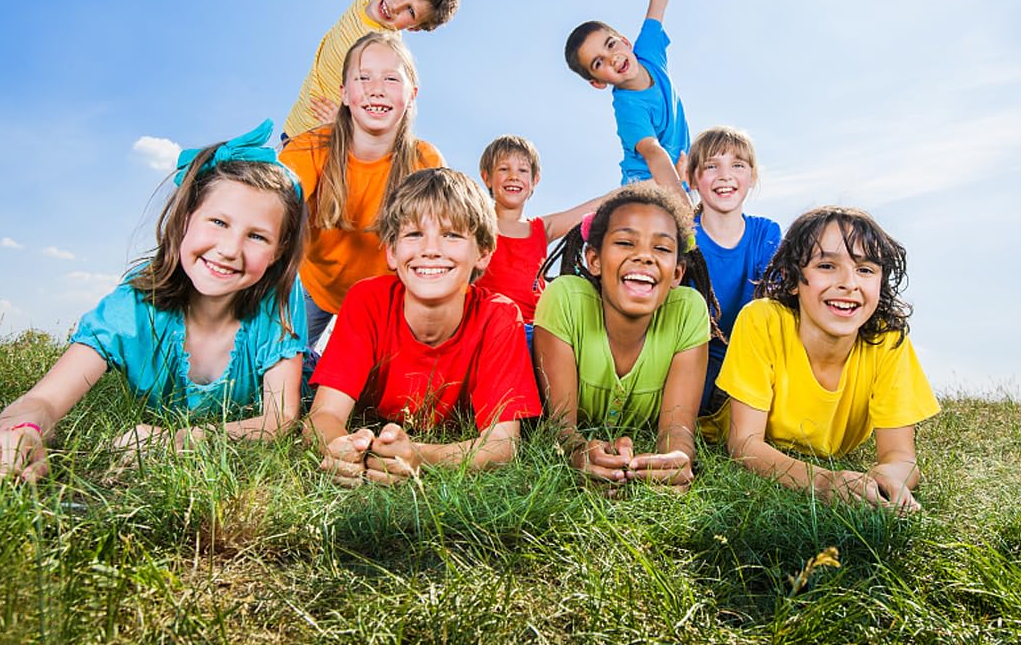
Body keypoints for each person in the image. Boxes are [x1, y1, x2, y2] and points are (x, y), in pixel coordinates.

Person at [0, 120, 308, 481]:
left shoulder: (279, 300)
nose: (230, 250)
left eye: (257, 236)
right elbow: (44, 400)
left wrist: (182, 439)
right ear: (186, 219)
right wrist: (21, 433)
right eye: (218, 222)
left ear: (279, 250)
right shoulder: (134, 306)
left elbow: (278, 421)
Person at [304, 168, 541, 486]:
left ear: (484, 253)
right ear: (391, 251)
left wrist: (418, 454)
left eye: (452, 235)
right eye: (414, 234)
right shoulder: (367, 299)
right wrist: (342, 449)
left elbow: (502, 444)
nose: (430, 249)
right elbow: (323, 415)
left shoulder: (498, 316)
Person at [708, 206, 940, 511]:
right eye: (827, 266)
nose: (849, 283)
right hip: (722, 428)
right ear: (793, 279)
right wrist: (823, 481)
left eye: (866, 270)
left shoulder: (888, 340)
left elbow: (901, 457)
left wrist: (884, 481)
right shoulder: (762, 319)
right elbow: (744, 444)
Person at [533, 184, 718, 488]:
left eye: (661, 248)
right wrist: (578, 452)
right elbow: (560, 426)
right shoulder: (564, 299)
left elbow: (678, 431)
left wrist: (676, 458)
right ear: (594, 259)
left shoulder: (688, 311)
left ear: (677, 273)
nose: (644, 256)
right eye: (624, 242)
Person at [280, 31, 442, 354]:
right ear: (344, 92)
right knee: (280, 366)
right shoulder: (310, 148)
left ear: (412, 95)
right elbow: (273, 201)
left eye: (392, 79)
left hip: (386, 297)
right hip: (316, 286)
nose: (376, 89)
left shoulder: (425, 161)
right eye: (363, 77)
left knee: (378, 388)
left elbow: (439, 237)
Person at [563, 0, 689, 190]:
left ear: (625, 41)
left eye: (610, 46)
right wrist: (683, 202)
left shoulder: (649, 53)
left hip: (678, 181)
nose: (612, 58)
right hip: (644, 189)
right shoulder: (628, 106)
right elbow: (653, 152)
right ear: (597, 82)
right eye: (599, 63)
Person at [283, 0, 459, 140]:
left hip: (326, 139)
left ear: (414, 28)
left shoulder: (383, 49)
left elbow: (376, 100)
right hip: (296, 123)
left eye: (410, 10)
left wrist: (341, 123)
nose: (395, 5)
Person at [475, 134, 613, 342]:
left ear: (534, 181)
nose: (514, 176)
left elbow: (597, 206)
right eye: (504, 169)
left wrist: (656, 182)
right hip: (488, 328)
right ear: (486, 177)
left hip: (533, 330)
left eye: (522, 170)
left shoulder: (542, 228)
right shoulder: (476, 224)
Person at [685, 127, 781, 412]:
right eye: (711, 166)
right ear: (692, 179)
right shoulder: (685, 236)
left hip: (751, 355)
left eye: (737, 165)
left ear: (751, 177)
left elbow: (774, 302)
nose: (725, 175)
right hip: (697, 356)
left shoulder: (766, 232)